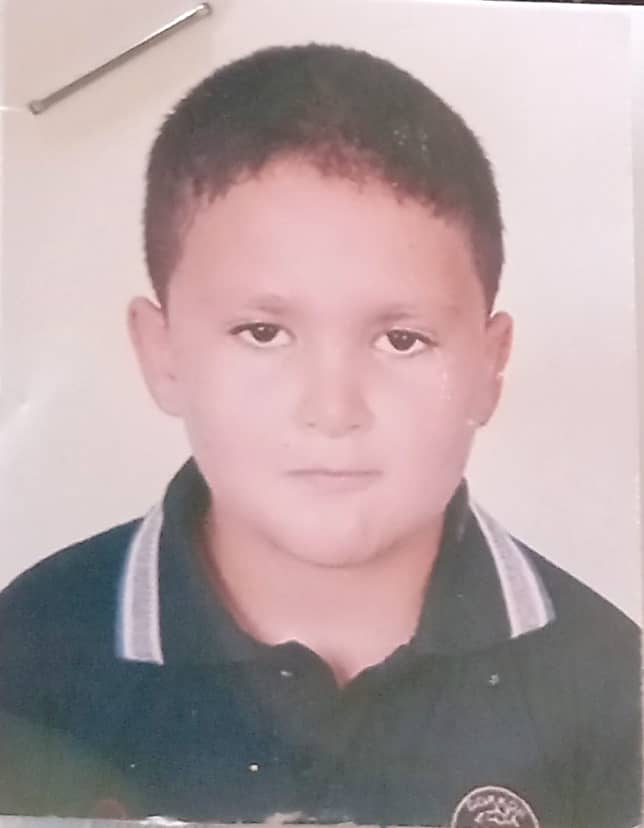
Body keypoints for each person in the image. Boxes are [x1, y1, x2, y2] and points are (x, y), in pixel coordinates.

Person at [0, 44, 640, 828]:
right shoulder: (29, 654)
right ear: (161, 354)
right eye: (263, 332)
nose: (332, 410)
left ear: (489, 365)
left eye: (401, 340)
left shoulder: (612, 684)